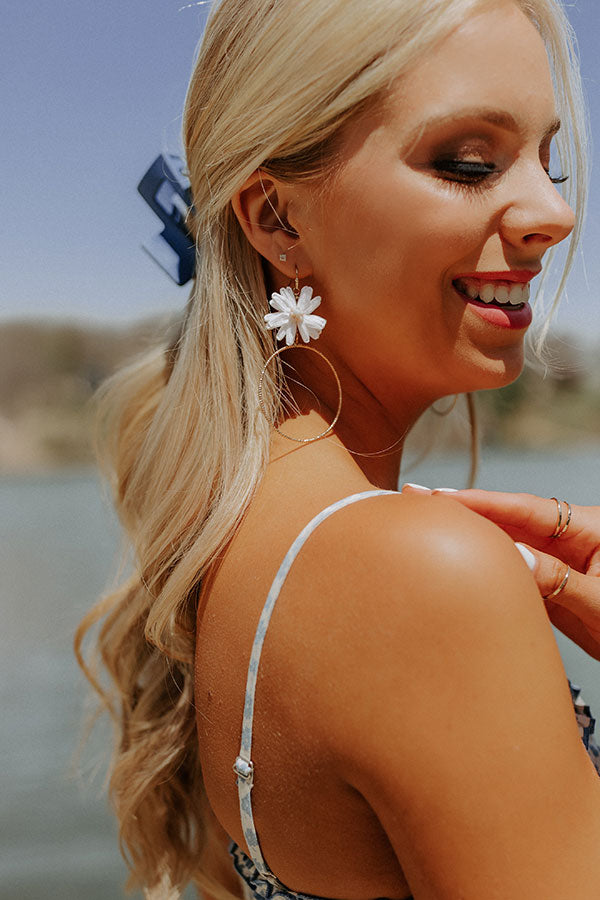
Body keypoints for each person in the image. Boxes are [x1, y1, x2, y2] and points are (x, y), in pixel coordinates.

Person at [75, 0, 600, 897]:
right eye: (469, 164)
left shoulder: (239, 540)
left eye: (547, 160)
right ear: (277, 219)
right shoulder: (419, 574)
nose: (553, 213)